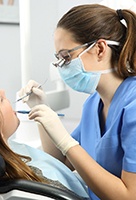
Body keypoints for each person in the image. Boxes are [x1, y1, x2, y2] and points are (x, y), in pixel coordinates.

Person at [18, 4, 136, 200]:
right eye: (58, 59)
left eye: (66, 56)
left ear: (99, 49)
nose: (61, 67)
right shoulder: (92, 105)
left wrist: (66, 141)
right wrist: (41, 110)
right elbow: (62, 160)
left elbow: (130, 195)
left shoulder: (133, 105)